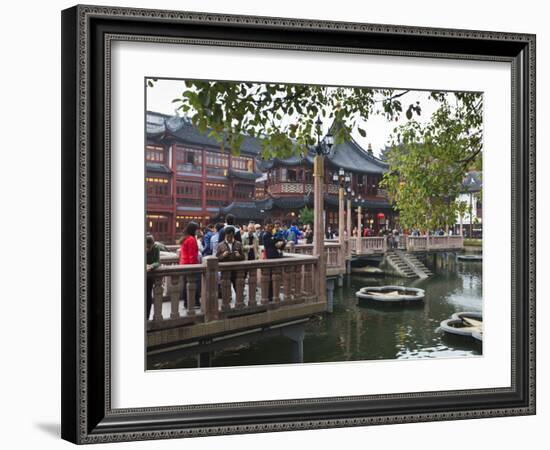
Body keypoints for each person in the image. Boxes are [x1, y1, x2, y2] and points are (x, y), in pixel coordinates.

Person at [216, 226, 245, 295]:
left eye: (231, 236)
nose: (229, 238)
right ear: (225, 235)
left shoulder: (238, 244)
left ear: (233, 235)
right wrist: (223, 255)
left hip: (236, 270)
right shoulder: (220, 245)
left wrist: (239, 256)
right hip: (225, 270)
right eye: (228, 236)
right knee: (226, 289)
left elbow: (243, 257)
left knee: (238, 288)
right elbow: (217, 258)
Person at [179, 221, 201, 309]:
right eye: (197, 229)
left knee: (185, 284)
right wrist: (194, 267)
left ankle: (186, 302)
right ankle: (195, 302)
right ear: (193, 230)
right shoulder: (191, 239)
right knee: (196, 284)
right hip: (190, 264)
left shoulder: (185, 237)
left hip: (184, 264)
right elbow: (192, 255)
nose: (198, 231)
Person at [146, 234, 161, 320]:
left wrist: (151, 266)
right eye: (146, 247)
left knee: (148, 296)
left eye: (149, 247)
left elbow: (158, 262)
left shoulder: (156, 248)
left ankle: (146, 316)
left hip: (149, 276)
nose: (147, 249)